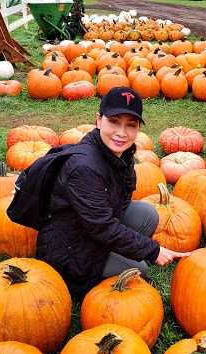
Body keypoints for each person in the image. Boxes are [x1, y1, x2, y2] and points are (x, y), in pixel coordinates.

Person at [36, 86, 190, 299]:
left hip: (90, 230)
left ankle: (112, 254)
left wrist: (127, 243)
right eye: (114, 121)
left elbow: (121, 202)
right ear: (99, 120)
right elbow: (102, 226)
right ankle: (87, 278)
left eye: (131, 125)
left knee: (147, 215)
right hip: (68, 250)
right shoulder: (84, 166)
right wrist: (152, 250)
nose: (122, 132)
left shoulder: (121, 152)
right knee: (139, 270)